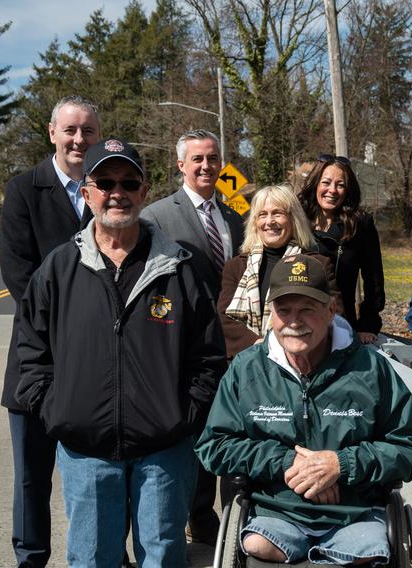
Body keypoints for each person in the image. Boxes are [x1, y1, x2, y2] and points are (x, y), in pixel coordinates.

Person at [15, 138, 226, 567]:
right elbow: (31, 351)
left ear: (143, 191)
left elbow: (208, 357)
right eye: (106, 182)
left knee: (164, 556)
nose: (118, 192)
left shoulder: (180, 268)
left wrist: (184, 415)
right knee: (92, 558)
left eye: (129, 182)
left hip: (164, 450)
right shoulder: (57, 269)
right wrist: (58, 409)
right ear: (87, 192)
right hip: (85, 451)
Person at [196, 254, 412, 564]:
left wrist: (340, 466)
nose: (294, 322)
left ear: (331, 310)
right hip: (276, 511)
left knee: (366, 551)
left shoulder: (370, 370)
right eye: (284, 310)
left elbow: (407, 444)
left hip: (354, 514)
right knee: (257, 546)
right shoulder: (247, 370)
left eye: (307, 309)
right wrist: (288, 462)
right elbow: (215, 445)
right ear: (270, 314)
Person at [0, 95, 99, 567]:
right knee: (31, 477)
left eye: (88, 132)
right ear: (52, 133)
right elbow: (19, 275)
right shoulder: (23, 190)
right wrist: (75, 322)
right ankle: (31, 558)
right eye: (71, 130)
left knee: (101, 476)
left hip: (100, 364)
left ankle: (102, 555)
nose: (79, 140)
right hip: (36, 360)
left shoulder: (109, 189)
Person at [141, 128, 243, 545]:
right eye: (197, 159)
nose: (206, 166)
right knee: (194, 433)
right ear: (180, 164)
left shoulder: (236, 215)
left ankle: (231, 516)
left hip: (235, 346)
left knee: (232, 432)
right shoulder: (157, 215)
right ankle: (197, 516)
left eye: (213, 158)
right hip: (184, 343)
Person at [218, 183, 336, 358]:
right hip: (248, 360)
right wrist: (260, 345)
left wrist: (292, 344)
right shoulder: (236, 267)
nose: (269, 221)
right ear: (254, 222)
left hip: (304, 359)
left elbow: (334, 314)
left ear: (293, 218)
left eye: (277, 213)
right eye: (262, 215)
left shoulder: (317, 264)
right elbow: (224, 318)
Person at [298, 154, 385, 344]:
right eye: (326, 182)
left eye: (340, 185)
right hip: (296, 323)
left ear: (348, 190)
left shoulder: (360, 224)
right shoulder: (296, 219)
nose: (332, 190)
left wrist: (367, 325)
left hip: (340, 324)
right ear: (315, 184)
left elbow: (373, 280)